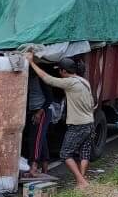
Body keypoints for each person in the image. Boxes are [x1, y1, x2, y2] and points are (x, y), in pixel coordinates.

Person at [24, 52, 95, 189]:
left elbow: (48, 79)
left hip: (78, 125)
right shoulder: (84, 81)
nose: (59, 73)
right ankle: (82, 180)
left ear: (63, 71)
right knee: (84, 153)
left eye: (60, 71)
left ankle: (81, 181)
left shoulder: (70, 82)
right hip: (89, 123)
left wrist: (31, 62)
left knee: (65, 153)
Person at [22, 69, 53, 178]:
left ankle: (33, 168)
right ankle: (45, 169)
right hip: (33, 111)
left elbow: (50, 98)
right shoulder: (29, 80)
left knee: (36, 140)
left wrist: (40, 112)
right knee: (41, 140)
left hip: (42, 112)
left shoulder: (40, 80)